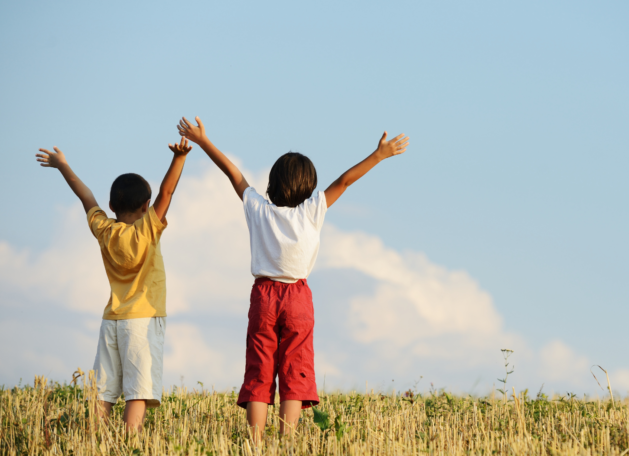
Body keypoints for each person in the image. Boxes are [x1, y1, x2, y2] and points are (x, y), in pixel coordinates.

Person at [176, 116, 409, 444]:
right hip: (298, 298)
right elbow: (343, 182)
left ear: (271, 186)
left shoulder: (258, 208)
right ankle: (287, 442)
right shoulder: (312, 211)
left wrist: (203, 141)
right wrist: (378, 155)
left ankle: (255, 444)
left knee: (260, 367)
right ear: (310, 187)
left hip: (263, 296)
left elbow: (233, 174)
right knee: (295, 367)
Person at [35, 138, 193, 430]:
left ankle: (95, 438)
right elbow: (167, 192)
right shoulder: (147, 229)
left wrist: (63, 166)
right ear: (147, 207)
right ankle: (130, 441)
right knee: (138, 390)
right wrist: (179, 159)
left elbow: (86, 198)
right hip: (143, 320)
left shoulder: (104, 229)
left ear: (111, 206)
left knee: (103, 390)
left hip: (112, 320)